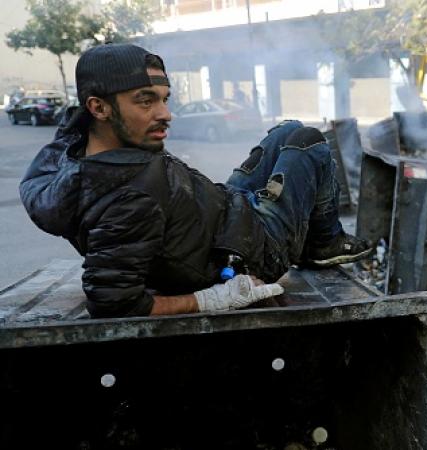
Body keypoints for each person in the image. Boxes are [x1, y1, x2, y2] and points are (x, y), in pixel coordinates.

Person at [19, 44, 372, 318]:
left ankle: (317, 237)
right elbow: (114, 304)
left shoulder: (66, 159)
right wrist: (210, 299)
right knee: (308, 140)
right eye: (145, 102)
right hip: (254, 251)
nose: (165, 114)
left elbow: (69, 131)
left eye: (164, 99)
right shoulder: (131, 197)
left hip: (227, 214)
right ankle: (323, 244)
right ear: (99, 108)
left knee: (287, 130)